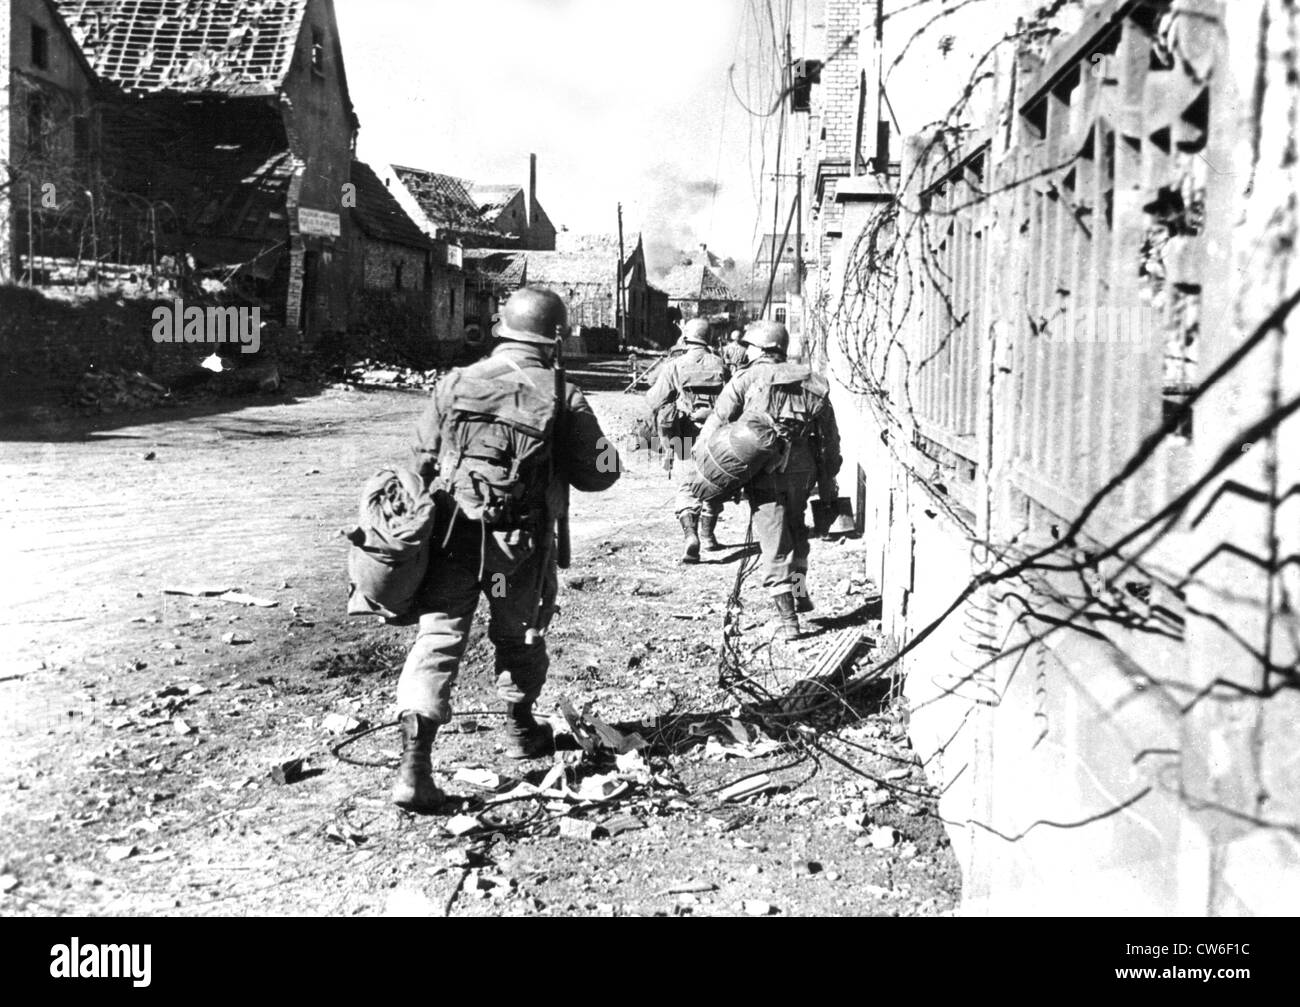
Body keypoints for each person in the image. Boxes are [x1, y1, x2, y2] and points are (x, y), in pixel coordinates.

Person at [391, 286, 621, 811]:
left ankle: (413, 766)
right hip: (515, 549)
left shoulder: (454, 383)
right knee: (519, 632)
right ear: (555, 337)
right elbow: (601, 474)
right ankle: (520, 731)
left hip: (451, 538)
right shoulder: (562, 394)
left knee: (440, 636)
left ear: (502, 331)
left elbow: (419, 462)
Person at [700, 319, 841, 640]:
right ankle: (800, 592)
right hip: (803, 473)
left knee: (773, 540)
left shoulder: (745, 379)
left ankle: (789, 620)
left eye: (750, 345)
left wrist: (707, 467)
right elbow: (830, 437)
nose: (746, 350)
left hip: (765, 470)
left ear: (762, 348)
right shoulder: (810, 379)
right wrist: (830, 472)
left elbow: (716, 422)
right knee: (797, 530)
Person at [644, 317, 727, 562]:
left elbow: (654, 400)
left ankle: (691, 536)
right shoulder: (721, 364)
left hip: (684, 435)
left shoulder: (675, 365)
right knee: (713, 484)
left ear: (686, 338)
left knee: (685, 487)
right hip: (715, 434)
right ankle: (709, 536)